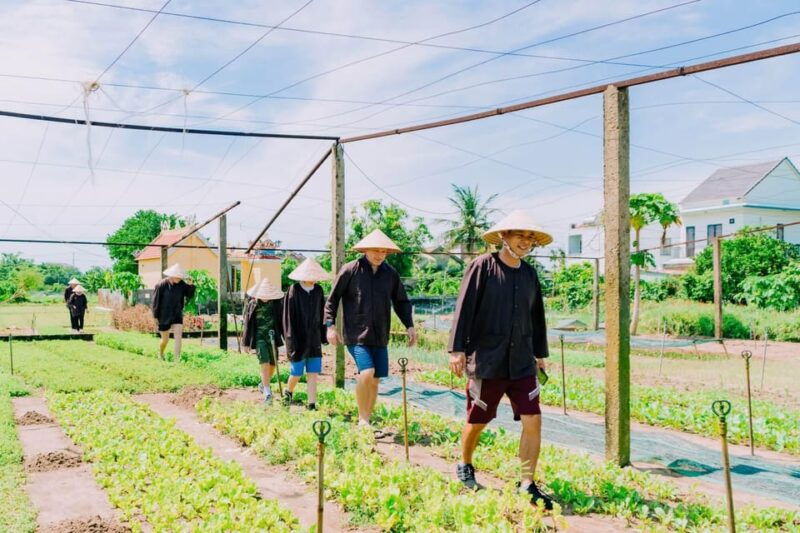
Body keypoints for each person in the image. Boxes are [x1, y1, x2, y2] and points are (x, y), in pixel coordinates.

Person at [448, 210, 554, 510]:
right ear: (504, 237)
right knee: (478, 419)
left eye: (530, 237)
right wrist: (457, 349)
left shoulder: (529, 274)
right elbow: (464, 307)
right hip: (488, 360)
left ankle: (526, 483)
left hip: (521, 361)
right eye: (520, 235)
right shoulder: (483, 266)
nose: (526, 242)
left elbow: (537, 317)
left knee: (533, 418)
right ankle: (465, 463)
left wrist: (539, 354)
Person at [325, 229, 417, 432]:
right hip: (356, 334)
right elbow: (332, 300)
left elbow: (401, 302)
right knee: (367, 372)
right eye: (375, 250)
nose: (380, 254)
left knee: (375, 380)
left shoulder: (390, 274)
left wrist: (409, 325)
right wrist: (330, 326)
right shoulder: (350, 270)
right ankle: (362, 419)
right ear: (366, 249)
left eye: (384, 251)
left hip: (380, 334)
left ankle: (367, 418)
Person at [282, 258, 331, 410]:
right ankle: (288, 391)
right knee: (296, 372)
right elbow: (288, 318)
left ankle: (311, 404)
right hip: (298, 338)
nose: (315, 279)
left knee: (313, 373)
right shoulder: (293, 290)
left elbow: (322, 313)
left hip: (314, 338)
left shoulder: (318, 291)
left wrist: (323, 335)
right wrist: (290, 340)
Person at [242, 278, 284, 405]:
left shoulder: (276, 304)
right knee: (264, 363)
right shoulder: (253, 304)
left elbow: (282, 321)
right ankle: (267, 392)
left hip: (272, 337)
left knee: (273, 364)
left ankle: (263, 383)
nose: (265, 297)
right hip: (259, 337)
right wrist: (246, 342)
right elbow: (248, 324)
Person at [151, 264, 195, 363]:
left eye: (180, 276)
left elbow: (189, 295)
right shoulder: (161, 285)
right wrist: (155, 316)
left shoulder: (182, 284)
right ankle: (161, 353)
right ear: (171, 275)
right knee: (165, 340)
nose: (179, 278)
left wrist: (191, 285)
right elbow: (155, 301)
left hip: (176, 314)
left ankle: (177, 360)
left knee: (178, 337)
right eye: (177, 276)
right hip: (163, 315)